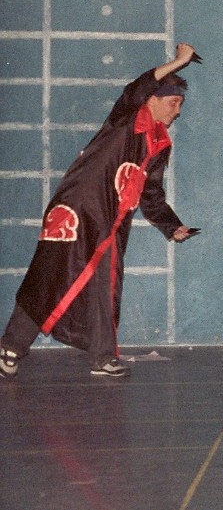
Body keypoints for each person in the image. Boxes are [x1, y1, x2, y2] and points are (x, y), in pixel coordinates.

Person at [1, 44, 200, 380]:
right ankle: (10, 346)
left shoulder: (158, 144)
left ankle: (103, 357)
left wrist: (172, 226)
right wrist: (179, 62)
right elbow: (136, 88)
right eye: (172, 102)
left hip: (110, 222)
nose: (177, 111)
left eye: (180, 104)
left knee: (104, 285)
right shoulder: (125, 120)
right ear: (151, 100)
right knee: (50, 277)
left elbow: (151, 193)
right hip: (76, 212)